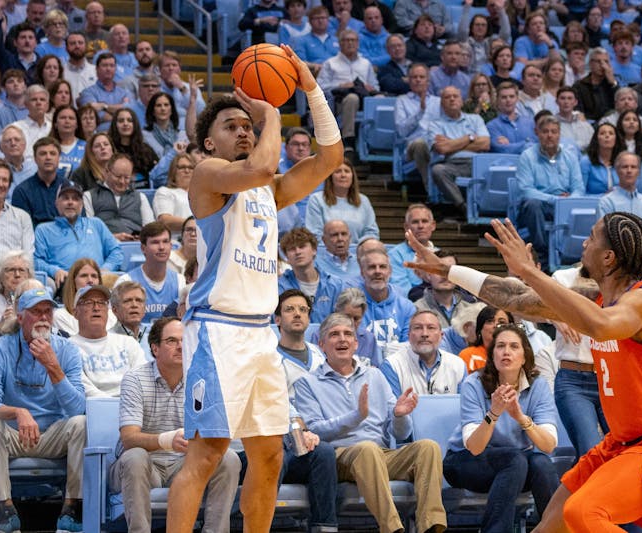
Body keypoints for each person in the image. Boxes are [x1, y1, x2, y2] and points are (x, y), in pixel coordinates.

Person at [405, 212, 642, 532]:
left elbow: (601, 327)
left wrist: (529, 271)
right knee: (551, 524)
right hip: (622, 443)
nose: (584, 243)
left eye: (591, 237)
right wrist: (449, 270)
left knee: (583, 512)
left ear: (608, 257)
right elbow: (516, 297)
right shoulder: (598, 299)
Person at [167, 44, 343, 533]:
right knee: (207, 455)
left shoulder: (270, 189)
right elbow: (261, 168)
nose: (244, 130)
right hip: (218, 333)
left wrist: (309, 87)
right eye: (232, 126)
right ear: (208, 144)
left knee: (268, 456)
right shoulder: (208, 176)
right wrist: (271, 118)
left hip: (261, 336)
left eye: (247, 125)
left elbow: (330, 158)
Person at [293, 313, 449, 533]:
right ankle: (392, 528)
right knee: (367, 450)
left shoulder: (375, 375)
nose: (342, 339)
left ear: (356, 343)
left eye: (348, 334)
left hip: (381, 453)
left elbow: (401, 433)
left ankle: (430, 526)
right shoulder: (307, 383)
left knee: (428, 447)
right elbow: (316, 431)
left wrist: (399, 415)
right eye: (334, 334)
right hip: (340, 457)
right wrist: (356, 416)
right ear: (321, 344)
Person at [111, 317, 241, 533]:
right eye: (172, 341)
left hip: (184, 466)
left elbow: (212, 435)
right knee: (135, 456)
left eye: (185, 341)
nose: (181, 346)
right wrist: (167, 440)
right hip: (145, 466)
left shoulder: (201, 381)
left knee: (228, 458)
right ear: (155, 348)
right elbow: (129, 438)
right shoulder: (134, 379)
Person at [0, 288, 86, 533]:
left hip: (52, 435)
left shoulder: (67, 349)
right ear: (20, 317)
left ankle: (70, 509)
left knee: (81, 423)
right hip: (14, 435)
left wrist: (53, 368)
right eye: (35, 312)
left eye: (47, 311)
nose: (43, 318)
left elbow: (78, 407)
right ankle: (7, 510)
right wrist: (18, 411)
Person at [443, 323, 560, 531]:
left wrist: (520, 417)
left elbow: (548, 445)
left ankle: (556, 529)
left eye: (514, 346)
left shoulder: (538, 385)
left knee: (541, 463)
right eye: (500, 346)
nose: (506, 351)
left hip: (516, 464)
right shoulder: (474, 383)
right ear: (492, 354)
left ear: (525, 356)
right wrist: (494, 413)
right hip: (465, 462)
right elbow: (475, 447)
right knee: (514, 460)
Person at [272, 289, 339, 532]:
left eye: (302, 309)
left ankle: (325, 526)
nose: (297, 314)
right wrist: (299, 432)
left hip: (318, 434)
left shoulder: (321, 355)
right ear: (277, 319)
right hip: (283, 437)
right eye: (289, 309)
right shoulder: (269, 358)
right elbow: (276, 403)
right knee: (275, 455)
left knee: (324, 453)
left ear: (310, 317)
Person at [515, 113, 584, 269]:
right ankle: (542, 253)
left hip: (565, 204)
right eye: (545, 131)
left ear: (559, 134)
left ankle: (576, 255)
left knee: (585, 206)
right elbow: (526, 190)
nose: (550, 135)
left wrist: (570, 201)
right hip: (540, 205)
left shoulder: (570, 157)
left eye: (554, 131)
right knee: (533, 204)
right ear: (537, 133)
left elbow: (579, 188)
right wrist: (554, 199)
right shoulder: (527, 156)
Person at [33, 180, 123, 287]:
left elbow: (116, 251)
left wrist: (105, 269)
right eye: (66, 198)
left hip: (98, 280)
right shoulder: (44, 230)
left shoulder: (96, 224)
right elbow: (36, 260)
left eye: (75, 199)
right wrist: (55, 271)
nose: (70, 202)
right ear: (56, 203)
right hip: (66, 281)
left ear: (81, 205)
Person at [70, 283, 145, 397]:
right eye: (89, 303)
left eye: (101, 302)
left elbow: (142, 378)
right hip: (92, 408)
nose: (96, 308)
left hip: (131, 406)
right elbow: (83, 387)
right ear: (75, 312)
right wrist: (112, 405)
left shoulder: (128, 343)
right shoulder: (68, 347)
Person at [427, 85, 491, 214]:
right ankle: (463, 207)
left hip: (477, 163)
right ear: (442, 103)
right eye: (447, 97)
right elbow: (442, 149)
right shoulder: (435, 124)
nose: (452, 99)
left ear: (461, 101)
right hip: (452, 164)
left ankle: (488, 208)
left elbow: (485, 144)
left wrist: (451, 143)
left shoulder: (475, 119)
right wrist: (470, 137)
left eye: (455, 96)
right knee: (438, 170)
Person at [316, 28, 378, 155]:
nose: (350, 43)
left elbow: (376, 86)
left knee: (380, 98)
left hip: (364, 99)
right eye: (346, 40)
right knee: (351, 98)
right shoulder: (330, 63)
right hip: (339, 101)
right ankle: (348, 139)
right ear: (340, 44)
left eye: (353, 40)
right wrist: (341, 85)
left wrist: (369, 87)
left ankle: (377, 142)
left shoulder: (366, 64)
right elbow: (320, 86)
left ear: (358, 43)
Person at [381, 309, 467, 396]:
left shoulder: (458, 365)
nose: (424, 334)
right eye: (418, 328)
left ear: (441, 336)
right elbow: (391, 408)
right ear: (409, 335)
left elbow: (464, 406)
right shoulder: (392, 365)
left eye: (431, 328)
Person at [114, 222, 185, 323]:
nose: (161, 247)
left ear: (171, 245)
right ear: (143, 248)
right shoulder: (125, 282)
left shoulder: (180, 280)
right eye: (155, 242)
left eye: (165, 241)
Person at [305, 158, 380, 244]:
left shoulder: (363, 200)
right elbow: (314, 234)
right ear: (330, 177)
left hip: (358, 253)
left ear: (352, 176)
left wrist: (356, 249)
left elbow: (372, 233)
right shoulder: (316, 200)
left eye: (347, 171)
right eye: (338, 171)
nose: (343, 175)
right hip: (326, 253)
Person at [82, 153, 155, 241]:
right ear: (106, 172)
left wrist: (141, 238)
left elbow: (151, 230)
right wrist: (113, 237)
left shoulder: (140, 197)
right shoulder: (89, 196)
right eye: (118, 176)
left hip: (135, 245)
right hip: (103, 245)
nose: (122, 181)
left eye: (127, 177)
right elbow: (88, 231)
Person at [278, 227, 345, 323]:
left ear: (314, 250)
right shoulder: (279, 287)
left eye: (302, 246)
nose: (298, 252)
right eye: (292, 249)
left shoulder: (336, 285)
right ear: (287, 257)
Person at [395, 63, 441, 191]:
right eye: (414, 77)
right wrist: (420, 112)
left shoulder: (437, 102)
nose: (418, 80)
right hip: (412, 147)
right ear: (409, 81)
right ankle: (430, 189)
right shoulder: (402, 101)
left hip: (435, 144)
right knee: (420, 144)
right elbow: (402, 131)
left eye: (422, 77)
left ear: (428, 80)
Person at [0, 159, 33, 270]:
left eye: (5, 180)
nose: (0, 184)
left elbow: (28, 256)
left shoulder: (22, 217)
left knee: (48, 283)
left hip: (14, 274)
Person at [598, 152, 642, 228]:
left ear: (639, 172)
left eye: (633, 167)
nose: (629, 171)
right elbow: (603, 235)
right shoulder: (606, 202)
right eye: (625, 167)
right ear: (617, 171)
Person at [0, 250, 32, 344]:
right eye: (11, 270)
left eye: (21, 270)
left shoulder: (37, 303)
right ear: (0, 276)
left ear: (28, 276)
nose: (17, 275)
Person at [388, 204, 436, 294]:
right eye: (415, 222)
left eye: (424, 221)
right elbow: (402, 293)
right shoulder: (395, 255)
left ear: (433, 225)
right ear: (406, 227)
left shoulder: (441, 254)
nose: (420, 226)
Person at [77, 53, 131, 132]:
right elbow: (93, 115)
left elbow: (129, 111)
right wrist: (119, 116)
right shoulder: (87, 93)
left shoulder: (124, 93)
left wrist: (104, 106)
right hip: (98, 137)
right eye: (105, 65)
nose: (108, 69)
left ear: (115, 69)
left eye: (112, 65)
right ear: (97, 69)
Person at [487, 81, 537, 155]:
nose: (508, 100)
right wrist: (526, 144)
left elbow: (539, 146)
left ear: (517, 98)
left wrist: (512, 146)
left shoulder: (530, 123)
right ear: (497, 100)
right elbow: (501, 149)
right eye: (504, 97)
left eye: (511, 96)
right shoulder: (491, 126)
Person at [458, 305, 512, 372]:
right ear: (480, 328)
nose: (495, 325)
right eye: (490, 321)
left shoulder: (517, 353)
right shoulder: (467, 355)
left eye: (502, 322)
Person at [572, 47, 617, 122]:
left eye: (606, 62)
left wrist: (613, 83)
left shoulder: (612, 84)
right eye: (599, 62)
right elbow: (578, 111)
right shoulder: (579, 86)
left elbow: (621, 104)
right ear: (590, 64)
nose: (603, 66)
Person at [581, 122, 625, 196]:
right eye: (602, 133)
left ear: (616, 139)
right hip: (593, 204)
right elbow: (580, 192)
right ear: (596, 139)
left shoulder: (622, 161)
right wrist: (603, 196)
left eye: (611, 133)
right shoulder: (586, 162)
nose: (607, 136)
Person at [109, 279, 150, 357]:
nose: (134, 305)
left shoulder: (153, 336)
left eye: (139, 300)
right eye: (127, 301)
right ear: (115, 310)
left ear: (144, 308)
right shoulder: (108, 339)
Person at [0, 69, 28, 143]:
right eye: (11, 82)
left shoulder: (33, 109)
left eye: (19, 81)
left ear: (25, 86)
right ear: (4, 88)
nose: (16, 84)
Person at [51, 105, 86, 180]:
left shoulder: (87, 147)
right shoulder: (47, 146)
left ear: (77, 125)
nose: (67, 121)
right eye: (63, 118)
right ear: (55, 124)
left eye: (71, 118)